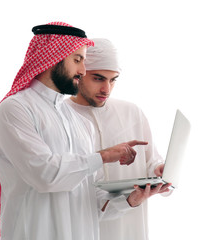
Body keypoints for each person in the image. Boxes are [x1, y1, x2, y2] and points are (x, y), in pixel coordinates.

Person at [0, 23, 150, 240]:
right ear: (53, 58)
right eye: (77, 60)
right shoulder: (15, 109)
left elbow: (90, 201)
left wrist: (131, 200)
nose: (82, 70)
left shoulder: (79, 122)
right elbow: (45, 175)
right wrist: (104, 156)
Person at [66, 38, 172, 240]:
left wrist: (159, 169)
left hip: (130, 226)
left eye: (113, 79)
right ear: (79, 73)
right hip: (83, 227)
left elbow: (151, 161)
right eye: (98, 78)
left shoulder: (132, 112)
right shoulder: (61, 116)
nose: (107, 89)